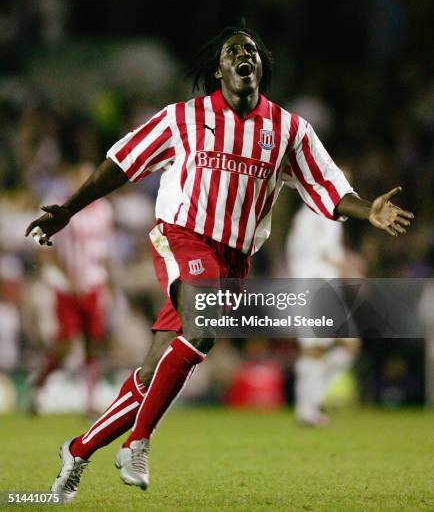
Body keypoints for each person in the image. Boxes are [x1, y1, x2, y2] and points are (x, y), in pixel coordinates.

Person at [25, 25, 414, 501]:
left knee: (154, 374)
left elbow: (329, 188)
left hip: (233, 257)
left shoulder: (289, 130)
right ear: (219, 70)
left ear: (260, 67)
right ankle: (138, 443)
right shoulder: (183, 119)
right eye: (233, 51)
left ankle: (78, 450)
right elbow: (121, 162)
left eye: (251, 50)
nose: (243, 54)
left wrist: (367, 208)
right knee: (204, 324)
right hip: (183, 236)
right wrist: (67, 209)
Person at [27, 163, 114, 416]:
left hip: (93, 282)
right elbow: (43, 246)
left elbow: (105, 249)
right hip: (65, 286)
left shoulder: (103, 209)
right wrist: (68, 278)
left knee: (93, 341)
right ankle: (40, 382)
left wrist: (110, 283)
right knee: (65, 343)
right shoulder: (56, 205)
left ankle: (90, 402)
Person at [286, 184, 365, 426]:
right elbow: (322, 253)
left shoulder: (324, 215)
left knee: (346, 345)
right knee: (316, 349)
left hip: (322, 285)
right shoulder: (315, 213)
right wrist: (349, 270)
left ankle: (309, 404)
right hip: (314, 285)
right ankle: (307, 408)